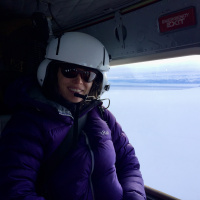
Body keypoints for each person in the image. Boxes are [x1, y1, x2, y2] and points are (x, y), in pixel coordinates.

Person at [0, 32, 146, 200]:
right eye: (69, 71)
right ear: (52, 73)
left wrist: (134, 196)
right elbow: (15, 190)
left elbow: (129, 163)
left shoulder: (102, 116)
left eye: (88, 75)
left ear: (96, 81)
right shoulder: (28, 122)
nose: (79, 82)